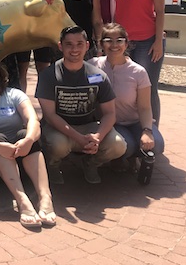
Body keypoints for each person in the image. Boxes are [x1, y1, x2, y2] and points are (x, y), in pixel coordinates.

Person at [0, 54, 56, 229]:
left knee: (25, 133)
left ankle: (45, 197)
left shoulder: (15, 94)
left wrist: (28, 140)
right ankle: (23, 201)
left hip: (21, 158)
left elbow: (33, 120)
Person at [35, 26, 126, 185]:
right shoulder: (49, 75)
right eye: (69, 44)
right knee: (58, 145)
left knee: (118, 145)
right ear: (60, 46)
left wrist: (97, 137)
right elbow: (50, 115)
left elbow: (110, 113)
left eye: (79, 44)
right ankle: (53, 166)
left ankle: (91, 163)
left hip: (88, 127)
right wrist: (79, 138)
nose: (74, 49)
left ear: (87, 45)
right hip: (58, 128)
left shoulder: (97, 76)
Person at [90, 24, 164, 169]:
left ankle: (130, 158)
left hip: (135, 121)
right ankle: (118, 159)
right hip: (111, 123)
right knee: (127, 146)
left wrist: (147, 131)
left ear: (126, 43)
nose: (114, 45)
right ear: (101, 44)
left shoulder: (138, 72)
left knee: (157, 144)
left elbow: (144, 107)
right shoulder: (93, 67)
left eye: (119, 40)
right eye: (108, 40)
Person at [113, 0, 165, 126]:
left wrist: (158, 41)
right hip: (124, 44)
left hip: (148, 42)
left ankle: (152, 133)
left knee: (147, 88)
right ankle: (134, 128)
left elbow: (160, 11)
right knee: (126, 87)